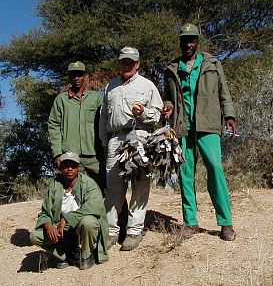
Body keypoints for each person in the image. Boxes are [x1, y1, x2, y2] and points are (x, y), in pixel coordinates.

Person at [162, 23, 237, 241]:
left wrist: (229, 115)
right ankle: (191, 222)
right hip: (183, 126)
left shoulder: (212, 63)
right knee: (185, 173)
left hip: (208, 123)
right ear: (180, 42)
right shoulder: (171, 69)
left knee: (215, 166)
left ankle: (225, 223)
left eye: (192, 40)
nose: (188, 44)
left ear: (198, 41)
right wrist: (168, 106)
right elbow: (168, 95)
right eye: (185, 40)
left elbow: (224, 90)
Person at [99, 47, 163, 251]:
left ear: (137, 64)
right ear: (119, 63)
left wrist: (144, 113)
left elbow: (158, 115)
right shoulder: (110, 86)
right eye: (123, 61)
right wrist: (104, 141)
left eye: (131, 62)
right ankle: (111, 232)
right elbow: (103, 118)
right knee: (113, 187)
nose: (126, 65)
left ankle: (134, 232)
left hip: (140, 137)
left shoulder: (148, 85)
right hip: (115, 139)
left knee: (140, 184)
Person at [30, 152, 109, 270]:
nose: (69, 169)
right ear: (61, 168)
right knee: (35, 236)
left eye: (73, 166)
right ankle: (66, 255)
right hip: (62, 230)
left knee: (89, 222)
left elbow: (94, 207)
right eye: (66, 166)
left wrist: (67, 218)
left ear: (78, 168)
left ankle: (86, 255)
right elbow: (45, 212)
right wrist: (48, 225)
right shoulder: (55, 185)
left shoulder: (88, 183)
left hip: (81, 227)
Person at [48, 61, 105, 192]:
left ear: (85, 76)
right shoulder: (61, 100)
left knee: (107, 187)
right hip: (70, 155)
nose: (76, 78)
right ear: (69, 76)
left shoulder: (96, 98)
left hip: (94, 154)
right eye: (73, 75)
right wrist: (57, 153)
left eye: (79, 74)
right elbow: (54, 126)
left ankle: (121, 213)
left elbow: (104, 124)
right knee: (71, 192)